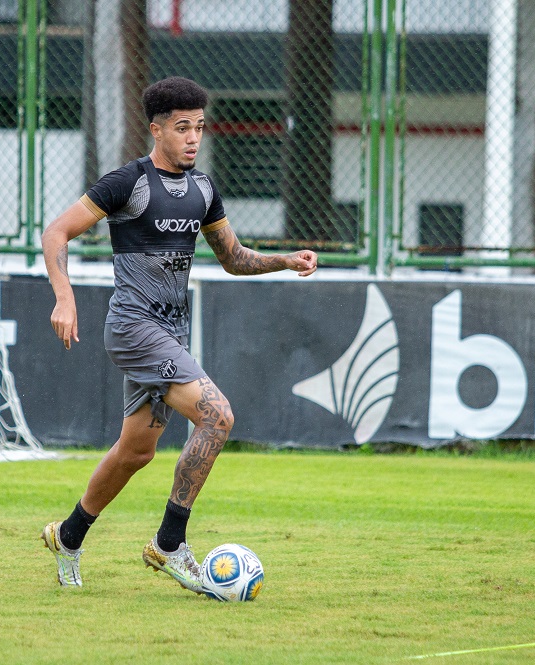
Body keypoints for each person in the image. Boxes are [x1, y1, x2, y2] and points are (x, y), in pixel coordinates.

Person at [40, 77, 317, 592]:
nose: (194, 137)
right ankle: (170, 544)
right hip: (134, 328)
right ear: (157, 129)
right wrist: (64, 296)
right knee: (218, 415)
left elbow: (233, 258)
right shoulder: (127, 182)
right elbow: (56, 232)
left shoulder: (204, 189)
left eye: (200, 128)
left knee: (136, 452)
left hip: (169, 334)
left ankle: (69, 536)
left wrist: (285, 259)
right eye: (183, 128)